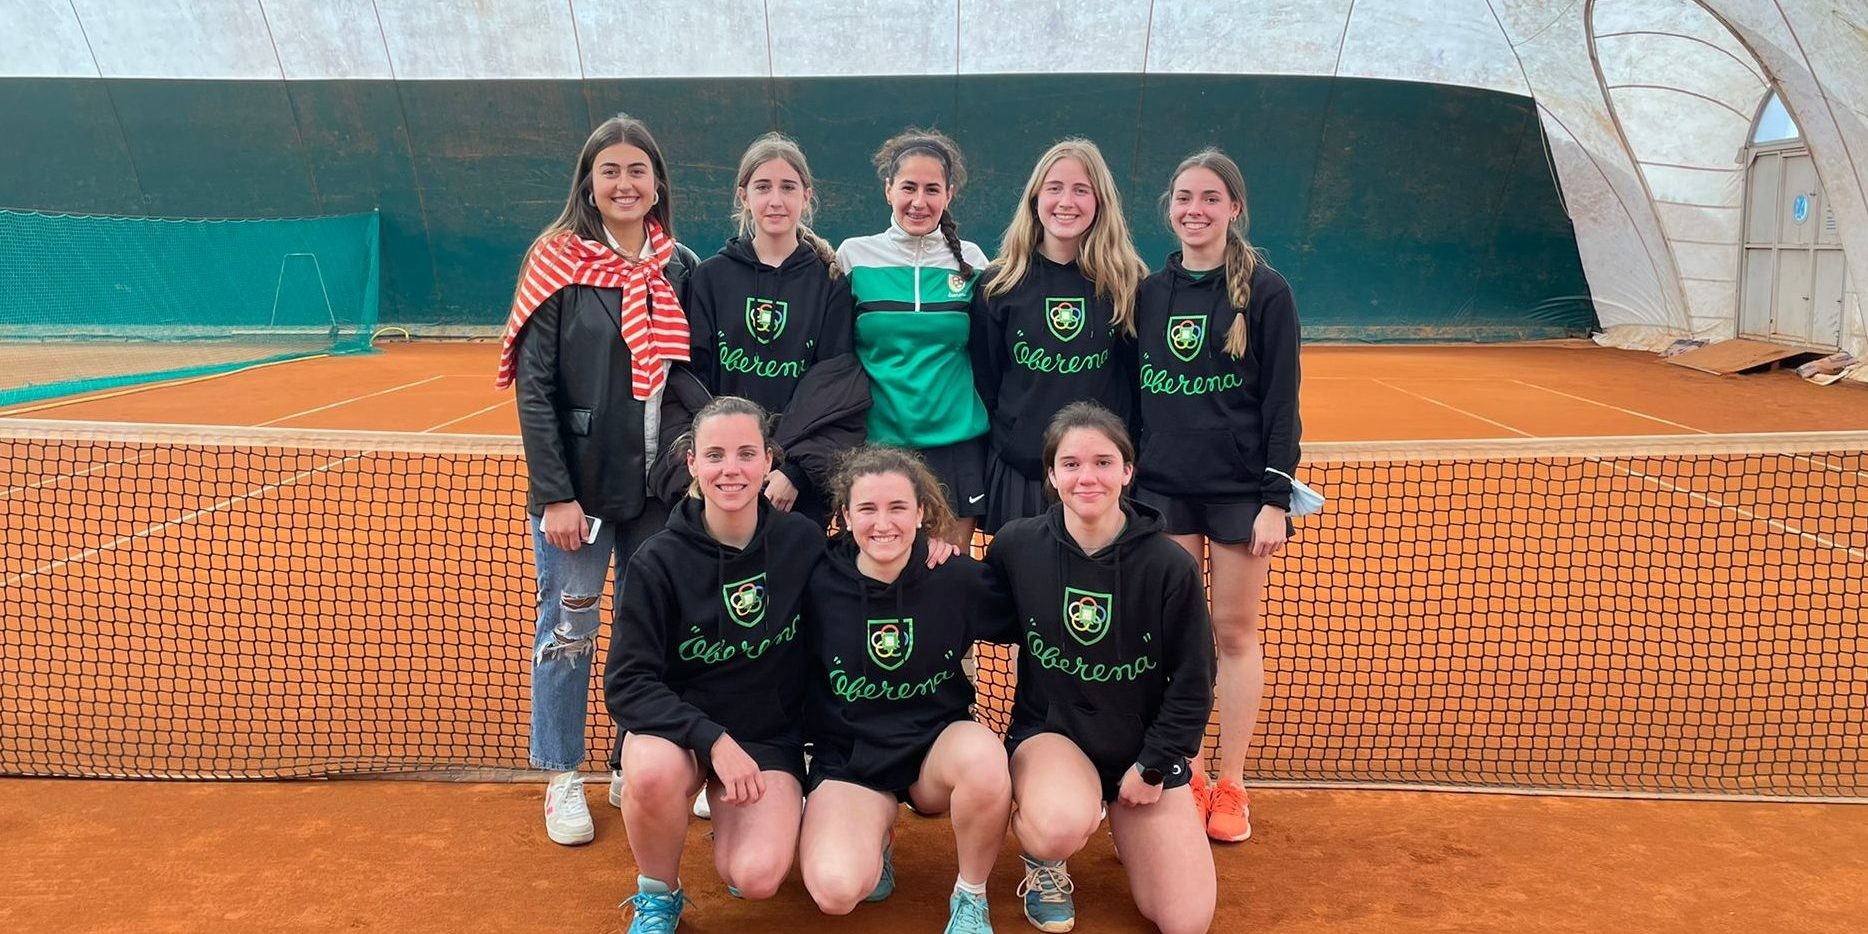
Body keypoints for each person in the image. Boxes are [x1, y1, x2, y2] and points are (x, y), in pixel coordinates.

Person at [498, 113, 698, 847]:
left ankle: (628, 760)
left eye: (637, 171)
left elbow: (687, 378)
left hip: (657, 490)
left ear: (657, 185)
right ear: (589, 182)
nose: (624, 183)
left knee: (648, 630)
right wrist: (555, 493)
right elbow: (536, 386)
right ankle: (561, 775)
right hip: (577, 491)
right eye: (610, 170)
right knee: (569, 628)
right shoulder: (556, 262)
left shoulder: (681, 265)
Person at [987, 402, 1216, 934]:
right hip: (1053, 737)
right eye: (1070, 464)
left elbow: (1193, 680)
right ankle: (1045, 860)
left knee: (1186, 921)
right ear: (1050, 474)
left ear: (1127, 471)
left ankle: (1122, 817)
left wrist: (1155, 764)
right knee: (1060, 824)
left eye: (1103, 462)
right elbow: (971, 610)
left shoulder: (1169, 565)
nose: (1086, 477)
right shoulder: (1017, 545)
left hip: (1139, 755)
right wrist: (918, 561)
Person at [603, 396, 826, 932]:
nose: (732, 469)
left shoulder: (803, 542)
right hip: (681, 734)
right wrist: (713, 741)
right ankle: (658, 894)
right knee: (651, 774)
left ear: (769, 461)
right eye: (717, 455)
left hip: (768, 738)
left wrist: (929, 547)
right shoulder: (658, 559)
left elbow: (870, 576)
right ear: (693, 464)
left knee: (755, 877)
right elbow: (627, 683)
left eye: (747, 453)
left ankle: (739, 833)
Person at [1132, 148, 1302, 844]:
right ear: (1169, 207)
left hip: (1240, 495)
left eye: (1209, 198)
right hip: (1164, 490)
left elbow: (1281, 401)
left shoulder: (1266, 291)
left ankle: (1232, 782)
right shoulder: (1148, 292)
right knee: (1179, 638)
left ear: (1234, 207)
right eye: (1183, 197)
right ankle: (1189, 773)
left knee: (1232, 634)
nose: (1194, 210)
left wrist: (1275, 498)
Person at [798, 446, 1013, 933]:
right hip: (852, 759)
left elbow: (1035, 620)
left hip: (932, 752)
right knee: (835, 891)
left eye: (898, 507)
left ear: (921, 512)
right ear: (845, 516)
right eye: (867, 509)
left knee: (983, 758)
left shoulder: (954, 575)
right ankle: (877, 837)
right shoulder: (815, 579)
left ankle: (971, 895)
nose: (883, 523)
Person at [684, 132, 863, 527]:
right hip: (725, 480)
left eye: (788, 187)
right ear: (744, 196)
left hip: (792, 485)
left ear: (806, 195)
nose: (776, 200)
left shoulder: (831, 283)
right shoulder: (711, 277)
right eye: (763, 187)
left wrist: (795, 470)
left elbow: (834, 394)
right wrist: (722, 460)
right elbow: (693, 378)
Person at [971, 138, 1148, 534]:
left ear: (1099, 201)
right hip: (1020, 473)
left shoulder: (1127, 283)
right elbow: (987, 381)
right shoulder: (998, 284)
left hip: (1096, 479)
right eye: (1054, 188)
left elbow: (1138, 386)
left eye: (1081, 190)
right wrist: (1012, 441)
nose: (1066, 201)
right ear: (1035, 198)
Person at [837, 129, 990, 549]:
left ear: (949, 194)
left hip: (956, 450)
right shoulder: (853, 257)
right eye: (908, 187)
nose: (919, 201)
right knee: (883, 573)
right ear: (888, 190)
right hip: (877, 451)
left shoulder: (974, 263)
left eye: (932, 189)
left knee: (948, 576)